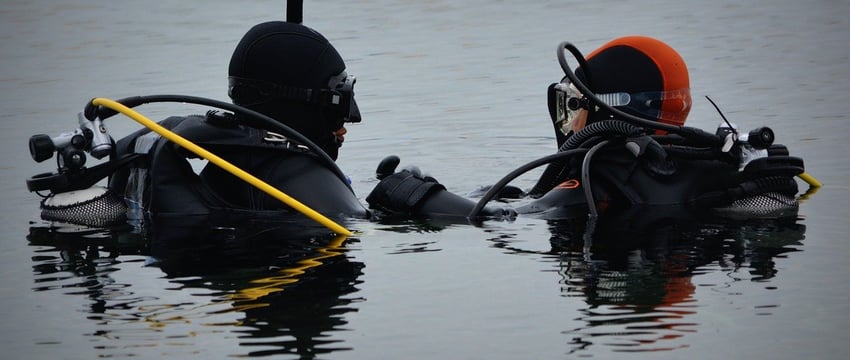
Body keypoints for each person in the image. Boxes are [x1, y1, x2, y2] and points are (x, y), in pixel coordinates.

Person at [366, 35, 808, 222]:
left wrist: (418, 195)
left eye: (578, 105)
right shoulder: (697, 157)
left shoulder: (605, 166)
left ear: (612, 108)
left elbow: (504, 219)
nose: (571, 122)